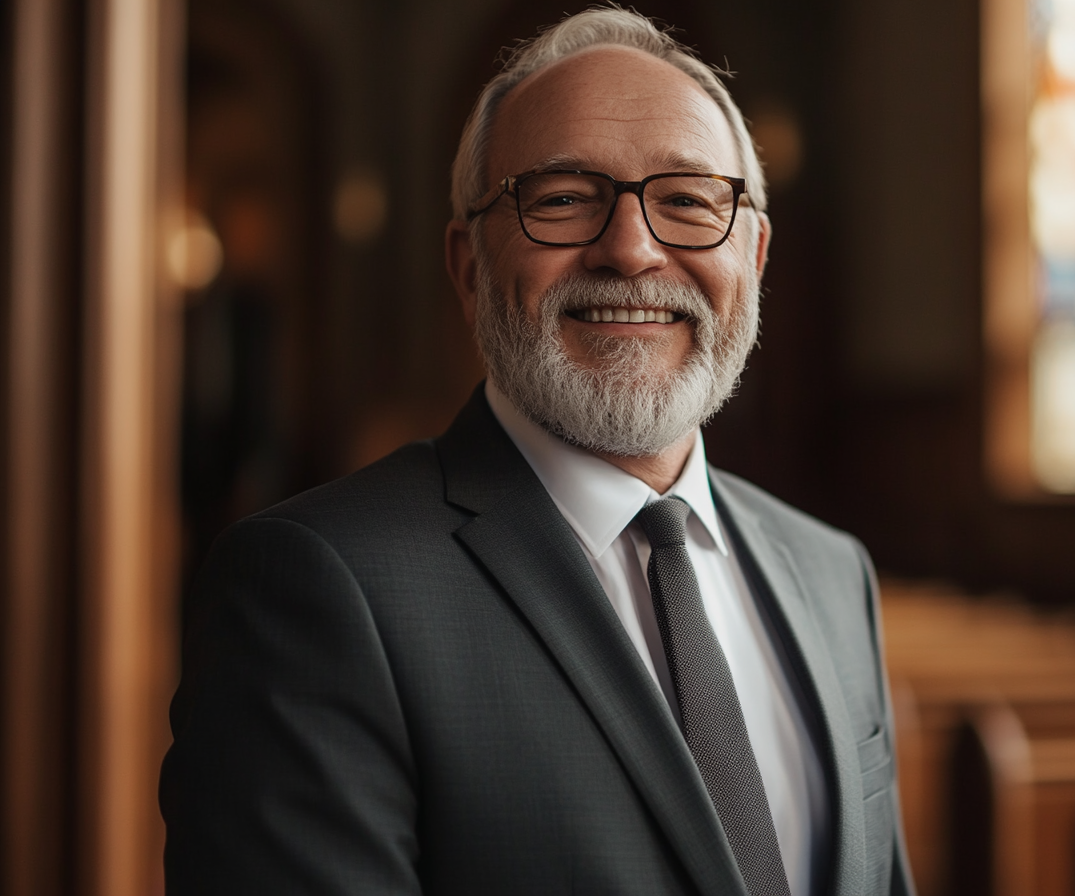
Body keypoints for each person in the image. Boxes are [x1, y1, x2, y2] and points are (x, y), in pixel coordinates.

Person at [160, 7, 915, 896]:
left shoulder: (832, 575)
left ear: (752, 252)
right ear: (469, 265)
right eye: (561, 199)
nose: (631, 250)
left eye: (687, 200)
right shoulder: (313, 587)